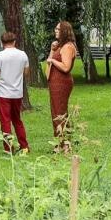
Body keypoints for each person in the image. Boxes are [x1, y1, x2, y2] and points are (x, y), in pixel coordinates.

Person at [43, 20, 78, 148]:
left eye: (58, 29)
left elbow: (66, 67)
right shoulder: (59, 46)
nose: (55, 31)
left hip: (62, 83)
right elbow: (48, 67)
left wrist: (52, 60)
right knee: (56, 112)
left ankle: (63, 145)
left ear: (65, 31)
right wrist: (52, 51)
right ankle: (61, 143)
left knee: (59, 113)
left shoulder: (68, 46)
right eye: (55, 29)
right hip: (54, 82)